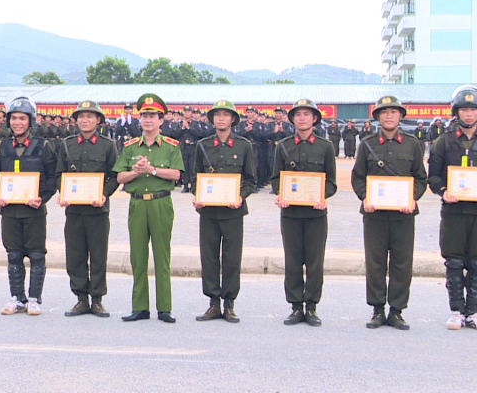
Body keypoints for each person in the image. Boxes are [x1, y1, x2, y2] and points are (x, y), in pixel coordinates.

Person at [427, 86, 477, 331]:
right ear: (456, 112)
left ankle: (474, 312)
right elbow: (434, 176)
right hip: (453, 211)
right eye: (464, 110)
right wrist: (443, 191)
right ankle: (456, 311)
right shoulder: (444, 141)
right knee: (454, 261)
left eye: (473, 110)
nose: (468, 115)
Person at [352, 96, 427, 331]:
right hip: (374, 215)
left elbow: (420, 178)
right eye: (384, 112)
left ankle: (396, 311)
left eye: (393, 112)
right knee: (375, 263)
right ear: (377, 117)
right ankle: (377, 309)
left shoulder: (413, 144)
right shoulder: (367, 144)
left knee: (402, 263)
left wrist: (412, 198)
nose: (389, 116)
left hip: (403, 215)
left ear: (401, 116)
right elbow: (358, 177)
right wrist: (365, 197)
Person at [114, 93, 183, 323]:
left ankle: (164, 308)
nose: (147, 120)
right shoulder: (130, 146)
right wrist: (136, 171)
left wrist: (152, 170)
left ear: (161, 120)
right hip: (137, 205)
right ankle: (140, 307)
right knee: (138, 256)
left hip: (161, 203)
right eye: (144, 115)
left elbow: (176, 174)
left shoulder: (171, 146)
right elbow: (120, 178)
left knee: (162, 256)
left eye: (152, 116)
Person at [0, 97, 58, 316]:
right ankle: (17, 298)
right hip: (9, 211)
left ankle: (34, 299)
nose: (18, 122)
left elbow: (52, 177)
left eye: (22, 118)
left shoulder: (43, 146)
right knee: (13, 255)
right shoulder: (2, 146)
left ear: (30, 121)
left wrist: (41, 198)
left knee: (36, 255)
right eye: (14, 118)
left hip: (34, 210)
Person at [271, 98, 337, 327]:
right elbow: (275, 179)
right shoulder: (283, 146)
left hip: (316, 215)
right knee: (293, 261)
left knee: (315, 261)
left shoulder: (325, 146)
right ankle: (295, 307)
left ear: (315, 118)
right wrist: (280, 194)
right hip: (290, 214)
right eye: (298, 114)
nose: (302, 118)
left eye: (307, 114)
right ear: (292, 119)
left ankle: (311, 307)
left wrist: (323, 197)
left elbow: (331, 182)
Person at [193, 100, 256, 323]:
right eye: (217, 115)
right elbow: (195, 177)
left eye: (225, 115)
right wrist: (197, 196)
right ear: (212, 119)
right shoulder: (202, 145)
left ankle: (229, 304)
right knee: (209, 257)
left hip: (233, 212)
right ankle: (213, 303)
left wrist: (240, 196)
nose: (221, 118)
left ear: (232, 120)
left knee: (231, 258)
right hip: (208, 212)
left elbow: (250, 180)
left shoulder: (243, 145)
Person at [55, 100, 119, 317]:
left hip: (98, 210)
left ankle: (97, 299)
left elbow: (114, 176)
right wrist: (62, 193)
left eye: (90, 116)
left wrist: (104, 194)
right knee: (75, 256)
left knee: (98, 255)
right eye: (81, 116)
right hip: (74, 211)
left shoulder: (108, 145)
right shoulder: (66, 144)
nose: (85, 120)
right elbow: (58, 174)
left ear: (98, 120)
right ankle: (81, 299)